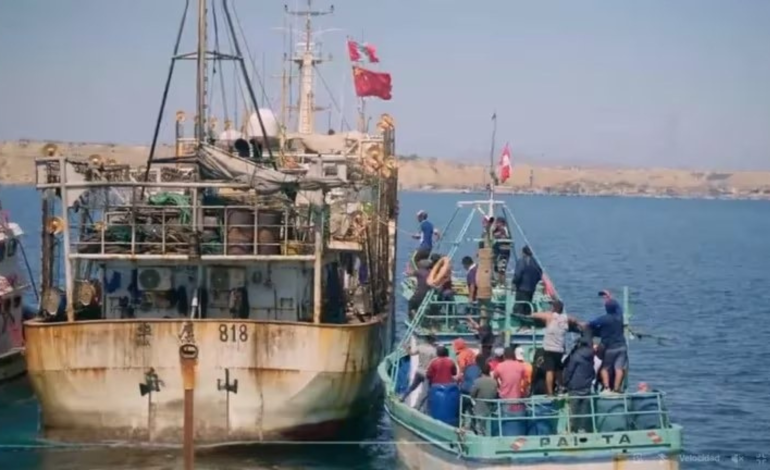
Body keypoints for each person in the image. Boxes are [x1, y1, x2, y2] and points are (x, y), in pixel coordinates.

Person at [581, 293, 627, 393]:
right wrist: (610, 297)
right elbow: (619, 307)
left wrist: (583, 325)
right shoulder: (620, 317)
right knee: (619, 368)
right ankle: (617, 388)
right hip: (622, 346)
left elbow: (591, 324)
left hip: (610, 348)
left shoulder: (604, 319)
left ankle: (607, 388)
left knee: (605, 368)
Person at [531, 300, 578, 395]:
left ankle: (550, 393)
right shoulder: (565, 318)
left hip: (549, 349)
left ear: (554, 308)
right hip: (559, 350)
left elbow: (534, 315)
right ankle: (561, 387)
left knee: (550, 370)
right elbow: (574, 320)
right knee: (558, 369)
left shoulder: (550, 316)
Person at [563, 330, 596, 432]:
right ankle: (585, 429)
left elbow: (569, 371)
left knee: (574, 410)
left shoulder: (576, 356)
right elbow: (592, 371)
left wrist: (565, 382)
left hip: (575, 386)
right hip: (586, 386)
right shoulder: (591, 356)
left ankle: (572, 430)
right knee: (585, 411)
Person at [400, 335, 439, 409]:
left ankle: (403, 397)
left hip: (418, 371)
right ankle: (417, 406)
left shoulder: (421, 347)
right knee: (425, 392)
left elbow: (411, 353)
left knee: (412, 387)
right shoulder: (434, 351)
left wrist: (406, 348)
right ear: (432, 341)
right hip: (427, 374)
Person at [492, 347, 529, 415]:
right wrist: (523, 389)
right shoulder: (520, 366)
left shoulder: (500, 366)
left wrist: (499, 386)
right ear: (513, 355)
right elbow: (526, 380)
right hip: (517, 398)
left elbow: (494, 378)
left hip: (504, 398)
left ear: (504, 356)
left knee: (505, 420)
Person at [469, 361, 498, 435]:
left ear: (481, 371)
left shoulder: (478, 381)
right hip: (490, 408)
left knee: (479, 427)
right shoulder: (494, 382)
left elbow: (472, 394)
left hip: (479, 408)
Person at [511, 245, 542, 315]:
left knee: (519, 305)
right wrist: (534, 282)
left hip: (522, 288)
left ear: (523, 252)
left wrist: (514, 283)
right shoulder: (535, 262)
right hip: (531, 288)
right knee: (528, 304)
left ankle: (519, 318)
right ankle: (527, 315)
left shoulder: (522, 261)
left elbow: (518, 275)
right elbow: (540, 274)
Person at [491, 217, 512, 285]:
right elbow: (492, 234)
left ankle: (502, 284)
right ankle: (496, 282)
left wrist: (499, 235)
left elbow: (505, 237)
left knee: (501, 269)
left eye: (498, 223)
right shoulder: (496, 229)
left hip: (504, 253)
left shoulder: (505, 230)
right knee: (495, 267)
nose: (497, 224)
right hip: (497, 252)